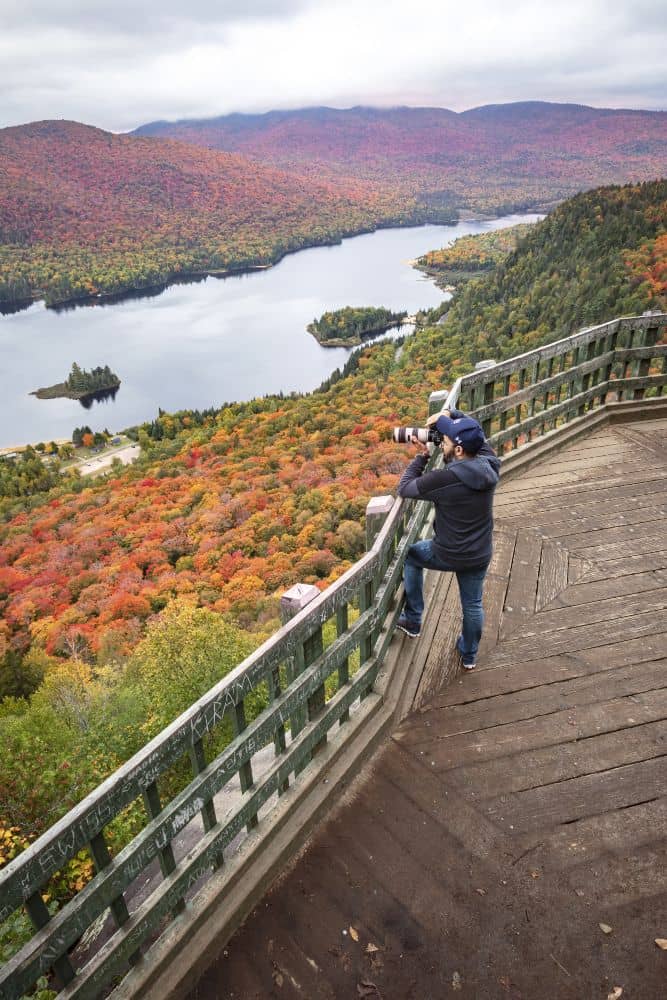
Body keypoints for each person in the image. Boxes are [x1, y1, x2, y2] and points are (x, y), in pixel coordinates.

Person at [395, 408, 500, 670]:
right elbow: (476, 431)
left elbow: (405, 487)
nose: (444, 441)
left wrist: (422, 456)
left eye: (448, 440)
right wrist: (449, 414)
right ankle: (469, 655)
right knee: (473, 604)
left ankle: (414, 619)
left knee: (412, 556)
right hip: (479, 552)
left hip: (447, 552)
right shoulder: (489, 463)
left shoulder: (445, 479)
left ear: (460, 451)